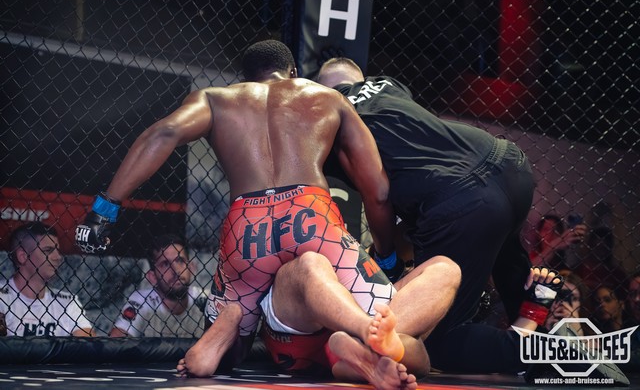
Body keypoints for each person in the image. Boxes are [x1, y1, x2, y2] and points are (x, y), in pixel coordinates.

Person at [75, 40, 453, 387]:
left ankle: (230, 323)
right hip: (311, 216)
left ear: (244, 79)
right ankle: (366, 333)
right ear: (293, 73)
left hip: (247, 228)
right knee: (413, 301)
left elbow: (163, 134)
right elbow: (379, 191)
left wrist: (104, 210)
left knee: (234, 349)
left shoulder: (216, 98)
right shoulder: (327, 98)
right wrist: (386, 256)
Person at [317, 57, 535, 372]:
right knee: (508, 267)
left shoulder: (333, 117)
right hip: (510, 164)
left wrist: (386, 258)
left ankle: (551, 354)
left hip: (463, 198)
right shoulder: (389, 86)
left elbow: (379, 194)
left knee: (435, 337)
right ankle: (548, 332)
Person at [0, 222, 95, 337]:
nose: (58, 257)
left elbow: (89, 345)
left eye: (57, 251)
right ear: (23, 256)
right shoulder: (2, 298)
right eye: (48, 250)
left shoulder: (67, 302)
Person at [109, 233, 207, 338]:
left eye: (180, 261)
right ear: (152, 277)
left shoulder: (205, 299)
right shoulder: (142, 301)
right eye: (165, 264)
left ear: (191, 268)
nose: (176, 270)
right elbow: (116, 339)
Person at [543, 269, 591, 335]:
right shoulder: (533, 327)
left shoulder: (592, 336)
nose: (564, 304)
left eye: (574, 298)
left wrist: (578, 331)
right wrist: (545, 331)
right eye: (560, 296)